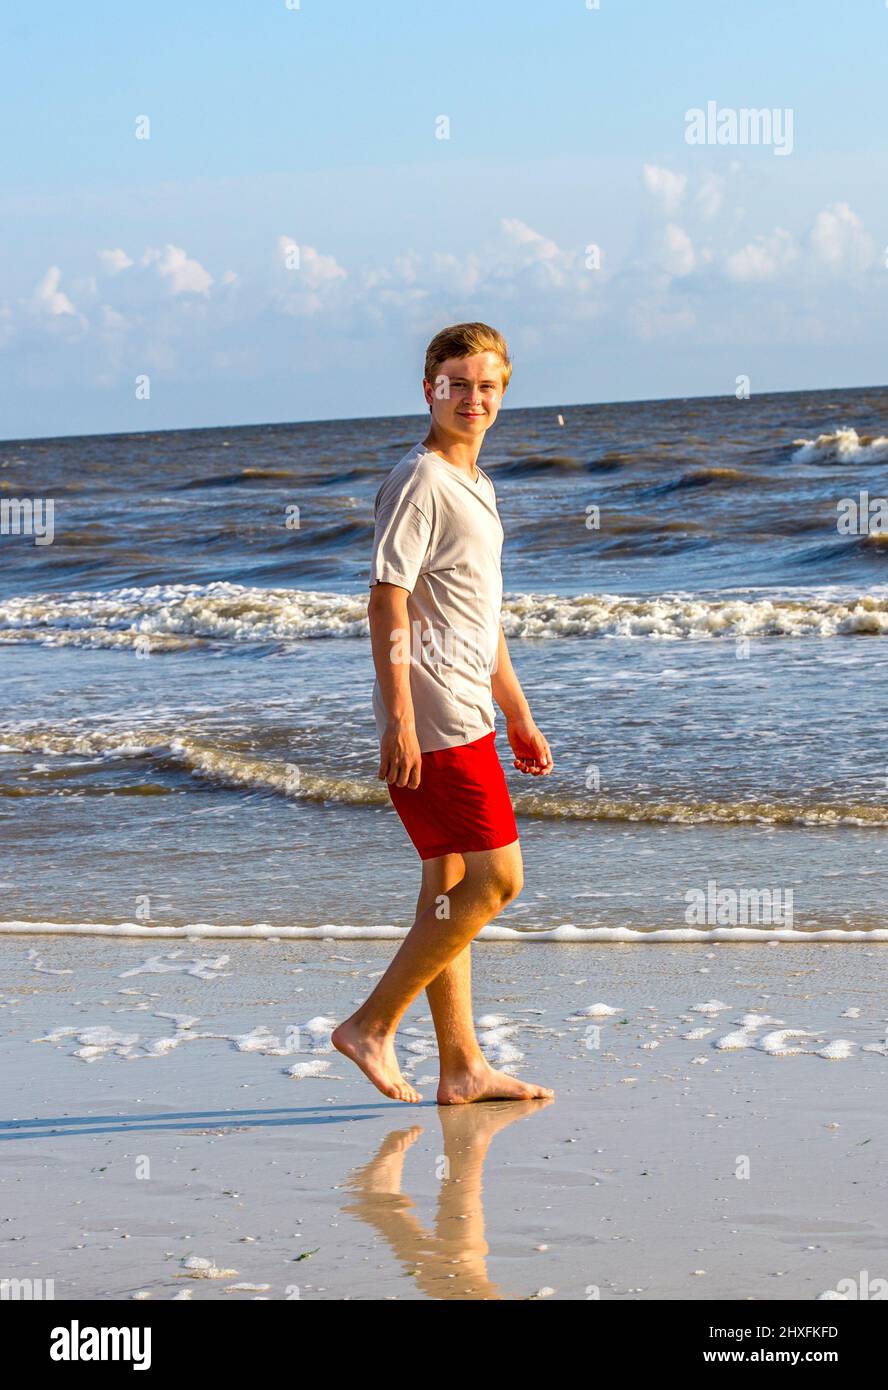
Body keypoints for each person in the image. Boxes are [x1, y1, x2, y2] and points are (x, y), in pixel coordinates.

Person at [332, 323, 555, 1105]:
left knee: (449, 883)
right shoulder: (419, 479)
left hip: (468, 706)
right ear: (428, 388)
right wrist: (397, 715)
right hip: (434, 716)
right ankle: (370, 1025)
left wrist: (517, 710)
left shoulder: (478, 486)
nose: (473, 398)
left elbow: (479, 613)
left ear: (503, 392)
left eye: (487, 384)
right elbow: (386, 598)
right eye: (457, 383)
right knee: (498, 881)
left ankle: (461, 1068)